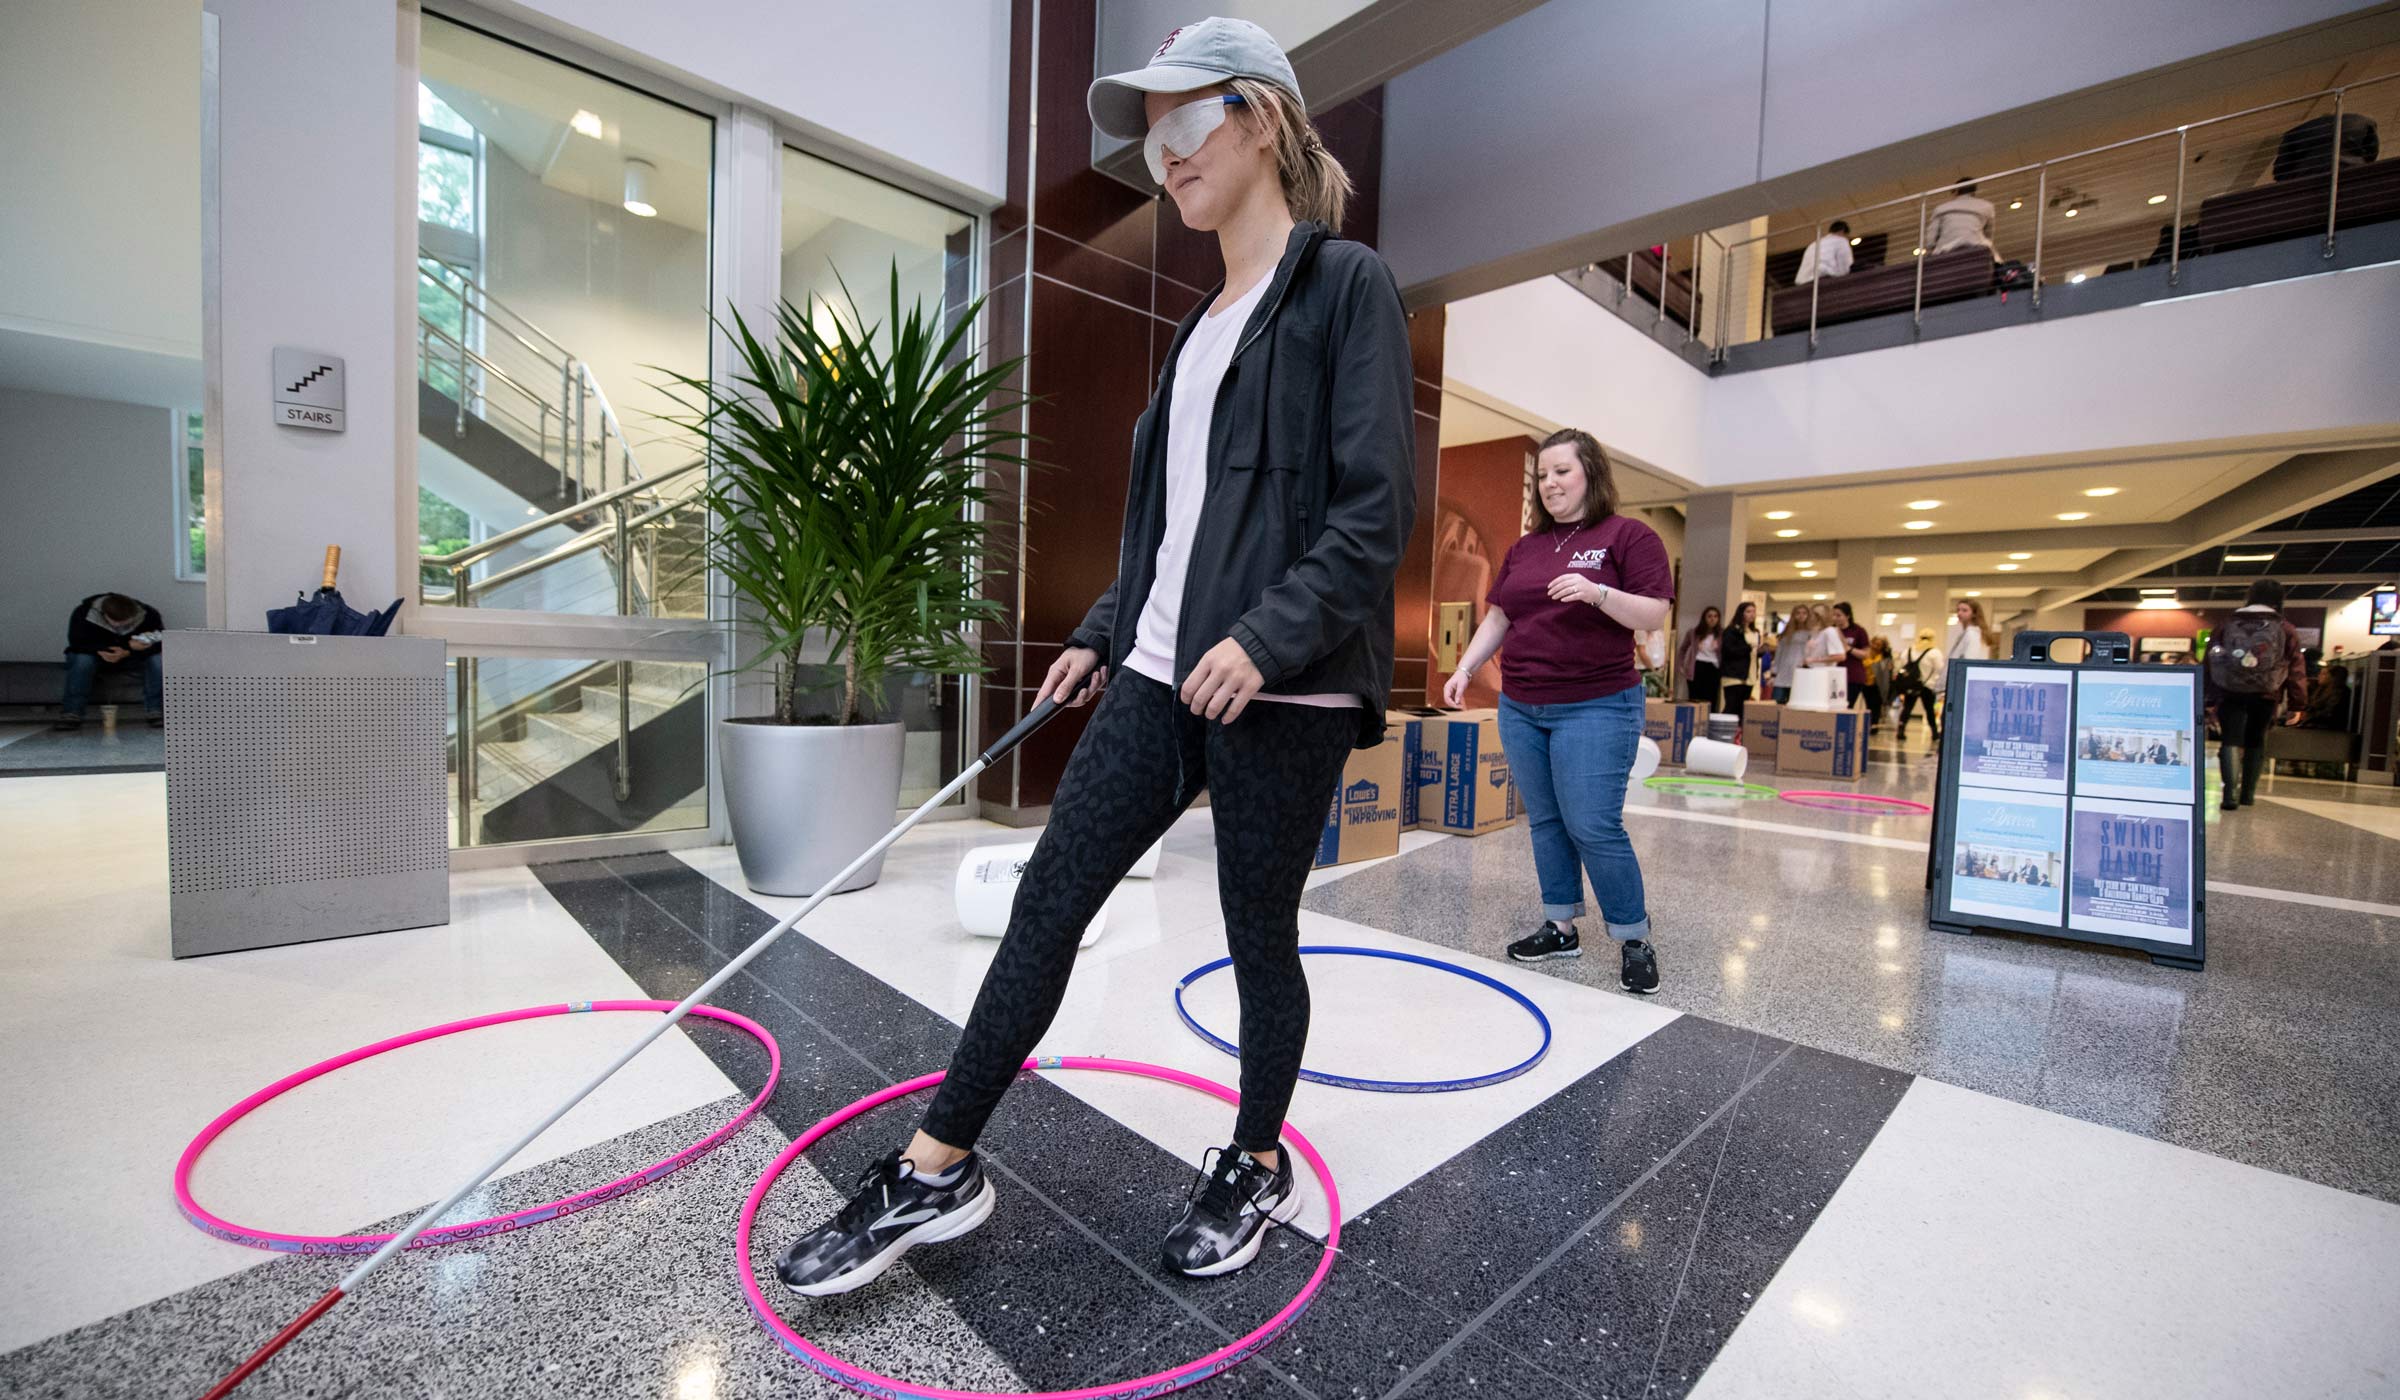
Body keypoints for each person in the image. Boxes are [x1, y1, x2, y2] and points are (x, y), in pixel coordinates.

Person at [776, 17, 1416, 1295]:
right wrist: (1101, 630)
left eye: (1184, 128)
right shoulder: (1197, 331)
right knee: (1047, 900)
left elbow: (1371, 516)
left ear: (1264, 120)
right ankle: (937, 1163)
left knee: (1256, 934)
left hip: (1274, 685)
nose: (1163, 158)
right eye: (1153, 141)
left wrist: (1264, 635)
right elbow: (1177, 536)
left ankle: (1253, 1153)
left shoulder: (1344, 287)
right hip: (1157, 670)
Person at [1445, 428, 1672, 994]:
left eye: (1561, 472)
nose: (1549, 483)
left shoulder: (1628, 536)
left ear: (1590, 473)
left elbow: (1654, 615)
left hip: (1596, 704)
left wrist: (1598, 592)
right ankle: (1561, 926)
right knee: (1546, 820)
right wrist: (1466, 668)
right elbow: (1500, 617)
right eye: (1542, 475)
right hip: (1522, 705)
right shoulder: (1525, 549)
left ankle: (1634, 937)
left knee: (1592, 824)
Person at [2204, 578, 2306, 812]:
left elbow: (2211, 662)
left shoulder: (2226, 625)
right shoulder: (2284, 628)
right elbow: (2296, 668)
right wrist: (2298, 704)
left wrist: (2207, 697)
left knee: (2230, 739)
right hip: (2266, 692)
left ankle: (2229, 794)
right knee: (2256, 740)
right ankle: (2248, 795)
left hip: (2229, 692)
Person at [55, 593, 166, 731]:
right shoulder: (83, 613)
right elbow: (77, 642)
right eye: (116, 622)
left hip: (133, 657)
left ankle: (155, 710)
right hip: (95, 655)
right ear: (103, 614)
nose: (121, 626)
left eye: (126, 622)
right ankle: (72, 712)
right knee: (82, 660)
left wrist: (128, 651)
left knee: (157, 659)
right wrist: (102, 650)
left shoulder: (148, 615)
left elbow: (161, 641)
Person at [1895, 627, 1945, 741]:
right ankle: (1934, 733)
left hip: (1911, 684)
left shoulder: (1909, 650)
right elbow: (1940, 668)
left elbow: (1903, 664)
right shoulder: (1934, 652)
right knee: (1929, 709)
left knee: (1907, 707)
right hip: (1927, 685)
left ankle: (1901, 730)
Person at [1927, 180, 1998, 260]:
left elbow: (1931, 238)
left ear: (1956, 191)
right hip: (1977, 247)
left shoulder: (1941, 208)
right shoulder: (1987, 206)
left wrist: (1931, 250)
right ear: (1974, 191)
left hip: (1946, 251)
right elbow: (1989, 234)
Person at [1679, 605, 1723, 710]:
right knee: (1695, 697)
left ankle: (1708, 722)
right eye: (1709, 616)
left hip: (1714, 667)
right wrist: (1681, 665)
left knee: (1712, 698)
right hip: (1697, 667)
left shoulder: (1722, 634)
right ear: (1704, 618)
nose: (1712, 619)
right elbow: (1683, 649)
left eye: (1715, 616)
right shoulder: (1694, 633)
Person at [1718, 601, 1758, 713]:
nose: (1752, 614)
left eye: (1754, 611)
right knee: (1732, 706)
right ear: (1741, 613)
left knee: (1742, 708)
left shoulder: (1754, 632)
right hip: (1734, 675)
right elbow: (1729, 651)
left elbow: (1753, 652)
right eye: (1748, 611)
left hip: (1750, 674)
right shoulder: (1731, 631)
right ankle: (1724, 729)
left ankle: (1738, 730)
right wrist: (1748, 648)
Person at [1772, 603, 1815, 703]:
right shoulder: (1787, 633)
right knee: (1778, 701)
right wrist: (1774, 671)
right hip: (1784, 671)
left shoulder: (1811, 633)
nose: (1801, 616)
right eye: (1798, 613)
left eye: (1804, 613)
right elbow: (1779, 653)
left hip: (1801, 670)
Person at [2295, 661, 2351, 730]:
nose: (2319, 676)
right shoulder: (2321, 690)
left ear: (2332, 677)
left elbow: (2329, 713)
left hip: (2327, 729)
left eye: (2324, 674)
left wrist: (2310, 717)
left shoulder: (2339, 692)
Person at [1945, 598, 1994, 664]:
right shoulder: (1966, 633)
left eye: (1964, 610)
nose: (1959, 613)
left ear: (1974, 614)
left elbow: (1970, 659)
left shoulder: (1973, 634)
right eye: (1958, 610)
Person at [1863, 634, 1895, 730]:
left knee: (1876, 705)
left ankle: (1874, 725)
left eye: (1879, 644)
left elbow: (1888, 668)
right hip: (1865, 682)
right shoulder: (1865, 653)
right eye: (1874, 643)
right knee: (1868, 704)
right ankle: (1868, 723)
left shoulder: (1885, 656)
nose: (1875, 646)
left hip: (1878, 684)